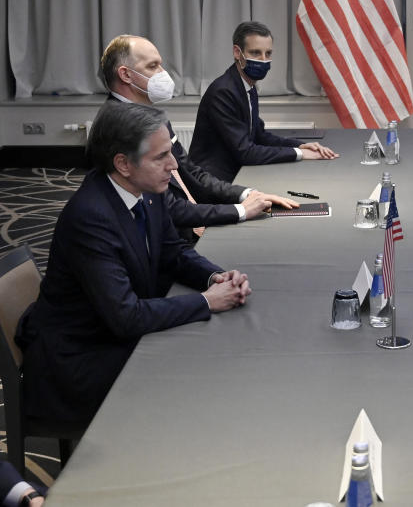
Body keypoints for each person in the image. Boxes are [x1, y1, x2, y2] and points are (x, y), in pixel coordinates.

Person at [15, 102, 252, 426]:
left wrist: (215, 277)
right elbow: (125, 317)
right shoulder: (91, 218)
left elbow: (175, 252)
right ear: (123, 164)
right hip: (79, 360)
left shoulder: (149, 191)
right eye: (160, 157)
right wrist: (206, 302)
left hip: (112, 335)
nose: (173, 166)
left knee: (205, 357)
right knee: (196, 373)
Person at [99, 34, 298, 242]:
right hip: (160, 242)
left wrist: (247, 194)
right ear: (126, 75)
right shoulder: (119, 127)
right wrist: (240, 211)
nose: (163, 74)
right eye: (153, 66)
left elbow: (191, 173)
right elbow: (168, 208)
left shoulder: (151, 116)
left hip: (183, 225)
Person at [189, 21, 338, 182]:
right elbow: (246, 152)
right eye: (255, 53)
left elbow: (259, 136)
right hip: (212, 182)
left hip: (237, 172)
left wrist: (299, 146)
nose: (263, 60)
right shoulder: (223, 92)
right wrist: (300, 155)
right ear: (237, 52)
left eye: (268, 54)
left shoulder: (248, 86)